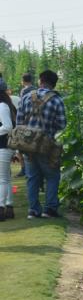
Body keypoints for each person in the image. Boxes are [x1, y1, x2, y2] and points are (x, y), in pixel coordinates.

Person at [16, 70, 66, 219]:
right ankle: (49, 209)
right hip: (47, 145)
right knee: (52, 176)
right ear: (54, 83)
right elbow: (62, 124)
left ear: (40, 81)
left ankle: (33, 210)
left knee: (32, 177)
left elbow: (19, 123)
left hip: (28, 144)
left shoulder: (25, 97)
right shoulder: (57, 100)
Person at [0, 77, 17, 221]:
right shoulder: (5, 105)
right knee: (5, 179)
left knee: (2, 179)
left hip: (3, 146)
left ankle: (1, 209)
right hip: (4, 146)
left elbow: (7, 127)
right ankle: (9, 207)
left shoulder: (2, 106)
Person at [14, 73, 32, 177]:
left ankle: (24, 169)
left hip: (25, 121)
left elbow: (21, 107)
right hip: (35, 121)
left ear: (23, 81)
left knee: (21, 147)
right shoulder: (36, 89)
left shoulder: (24, 91)